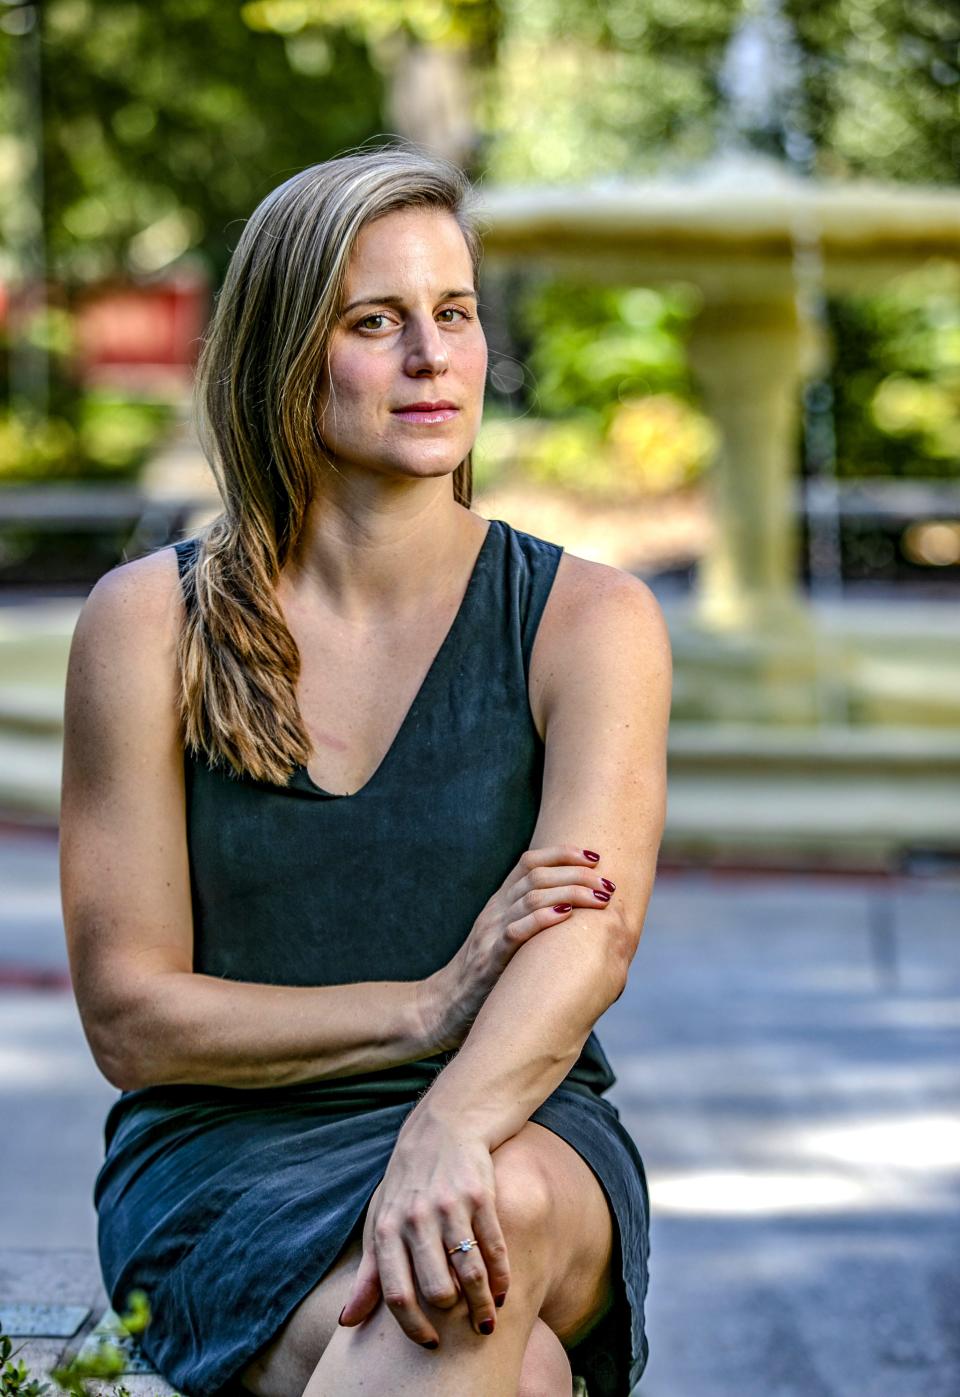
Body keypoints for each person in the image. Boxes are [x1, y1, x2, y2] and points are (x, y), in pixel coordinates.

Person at [60, 142, 671, 1397]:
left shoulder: (587, 618)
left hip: (522, 1119)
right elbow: (132, 1017)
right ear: (288, 354)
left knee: (477, 1223)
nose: (433, 356)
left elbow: (587, 941)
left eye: (453, 313)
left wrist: (447, 1116)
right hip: (227, 1153)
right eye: (375, 321)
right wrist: (424, 1003)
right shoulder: (149, 626)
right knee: (506, 1361)